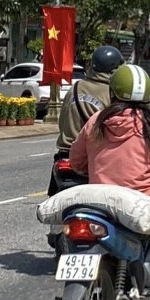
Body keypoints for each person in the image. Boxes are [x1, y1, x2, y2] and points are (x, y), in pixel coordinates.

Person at [70, 64, 150, 300]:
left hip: (99, 204)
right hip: (139, 205)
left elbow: (76, 161)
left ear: (113, 90)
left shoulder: (97, 121)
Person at [49, 45, 124, 197]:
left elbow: (62, 122)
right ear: (114, 70)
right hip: (94, 157)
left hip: (65, 155)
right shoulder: (113, 93)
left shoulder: (75, 88)